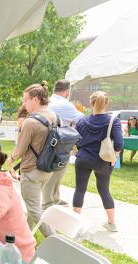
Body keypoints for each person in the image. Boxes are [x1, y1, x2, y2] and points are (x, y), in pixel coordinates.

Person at [6, 81, 57, 237]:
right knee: (32, 206)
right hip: (47, 168)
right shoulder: (52, 116)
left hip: (31, 171)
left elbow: (20, 149)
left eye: (25, 99)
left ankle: (56, 241)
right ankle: (26, 237)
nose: (24, 103)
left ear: (35, 99)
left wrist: (10, 160)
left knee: (35, 210)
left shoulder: (30, 121)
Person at [73, 91, 123, 232]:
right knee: (104, 190)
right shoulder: (113, 121)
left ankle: (75, 222)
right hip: (103, 160)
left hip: (83, 158)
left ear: (91, 103)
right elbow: (119, 144)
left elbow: (76, 140)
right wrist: (115, 156)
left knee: (80, 189)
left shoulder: (82, 120)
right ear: (106, 103)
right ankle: (111, 223)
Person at [42, 80, 84, 210]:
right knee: (56, 172)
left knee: (54, 171)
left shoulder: (50, 100)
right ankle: (48, 202)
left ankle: (54, 198)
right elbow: (82, 119)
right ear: (67, 91)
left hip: (50, 141)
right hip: (61, 143)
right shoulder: (64, 104)